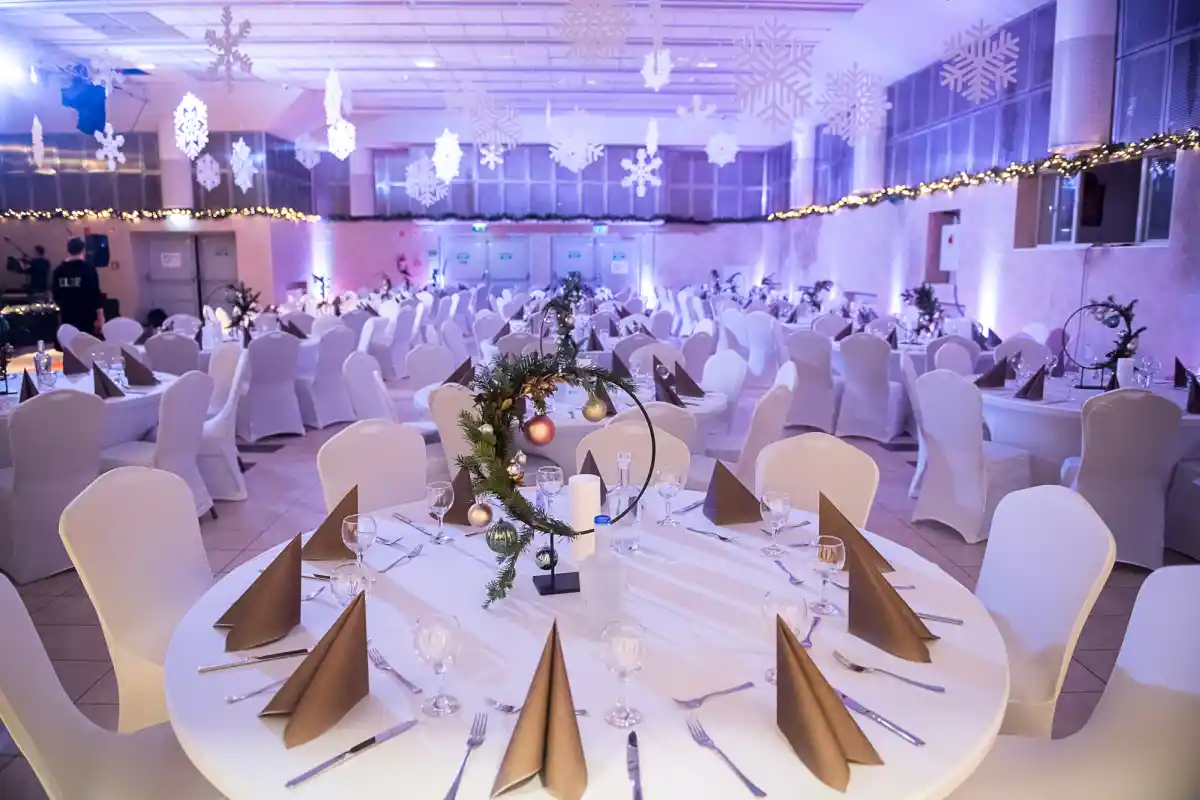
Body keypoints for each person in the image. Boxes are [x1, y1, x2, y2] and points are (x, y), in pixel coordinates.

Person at [52, 238, 104, 336]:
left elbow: (56, 295)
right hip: (87, 317)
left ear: (68, 250)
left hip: (67, 316)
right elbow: (95, 294)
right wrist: (100, 317)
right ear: (83, 250)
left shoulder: (59, 271)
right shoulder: (88, 269)